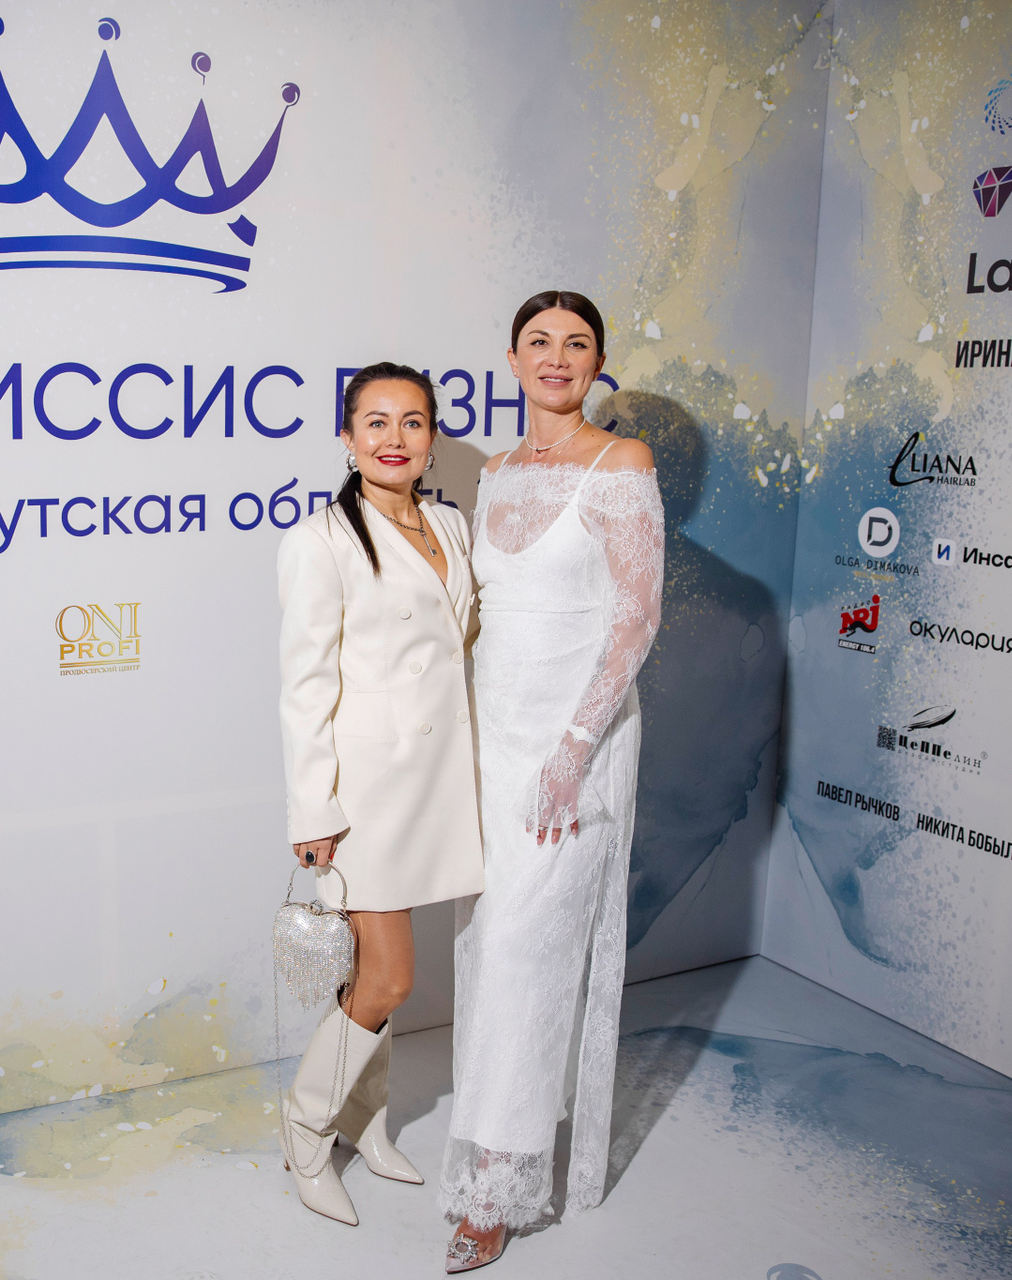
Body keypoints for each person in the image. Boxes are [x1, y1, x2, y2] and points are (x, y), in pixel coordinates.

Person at [440, 292, 663, 1272]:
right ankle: (492, 1138)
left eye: (577, 343)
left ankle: (496, 1189)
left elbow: (636, 616)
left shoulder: (623, 463)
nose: (557, 357)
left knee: (525, 957)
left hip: (573, 750)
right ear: (512, 358)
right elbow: (482, 616)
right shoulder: (494, 473)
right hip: (491, 745)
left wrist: (574, 748)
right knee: (491, 953)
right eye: (539, 341)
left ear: (598, 362)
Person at [276, 363, 485, 1226]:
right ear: (347, 436)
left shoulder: (451, 522)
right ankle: (305, 1129)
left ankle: (365, 1122)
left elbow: (463, 642)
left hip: (440, 779)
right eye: (376, 422)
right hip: (366, 791)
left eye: (412, 422)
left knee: (374, 974)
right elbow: (304, 688)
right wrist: (314, 809)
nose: (394, 439)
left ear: (432, 435)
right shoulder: (319, 539)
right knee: (390, 977)